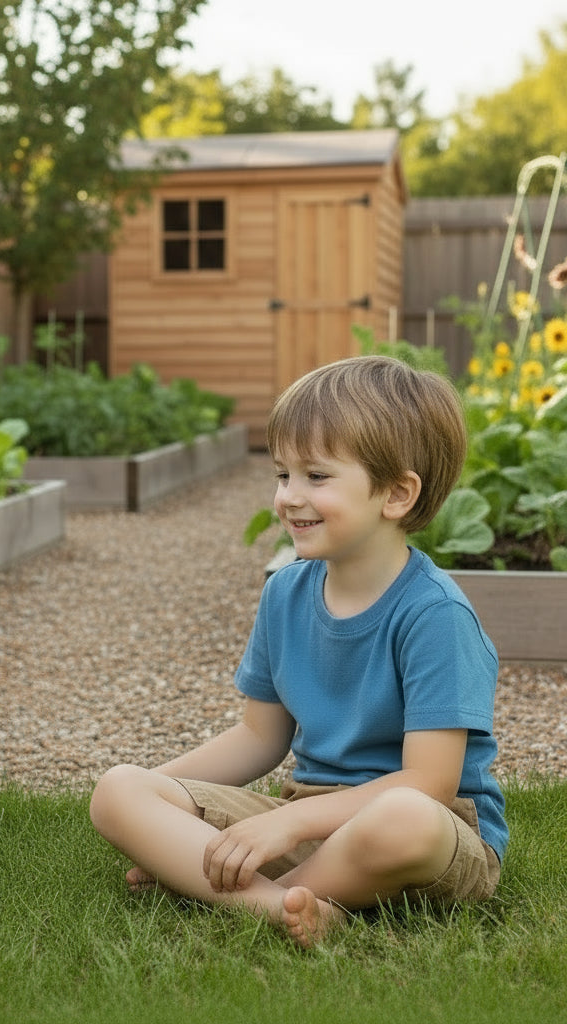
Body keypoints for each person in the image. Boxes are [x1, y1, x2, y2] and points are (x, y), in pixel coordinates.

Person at [89, 355, 507, 948]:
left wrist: (286, 825)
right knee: (118, 790)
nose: (289, 497)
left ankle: (237, 894)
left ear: (396, 494)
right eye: (283, 474)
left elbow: (429, 783)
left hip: (431, 832)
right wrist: (153, 800)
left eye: (316, 476)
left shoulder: (435, 614)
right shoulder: (284, 591)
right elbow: (259, 737)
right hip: (307, 816)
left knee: (402, 818)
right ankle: (283, 905)